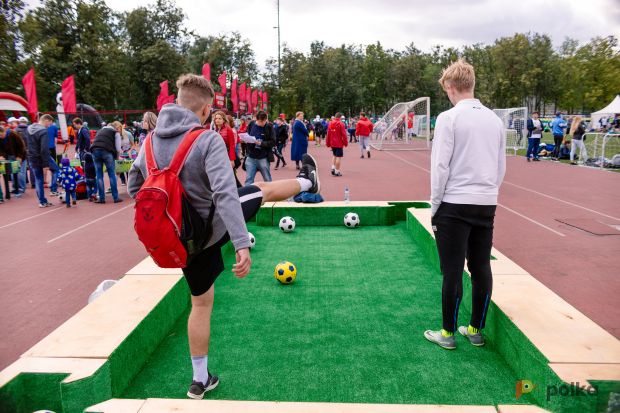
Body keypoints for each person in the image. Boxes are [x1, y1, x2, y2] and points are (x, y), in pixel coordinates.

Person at [127, 73, 322, 400]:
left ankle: (200, 380)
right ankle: (308, 183)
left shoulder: (148, 142)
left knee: (200, 304)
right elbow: (225, 194)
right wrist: (241, 242)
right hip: (211, 230)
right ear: (205, 110)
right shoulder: (206, 139)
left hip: (180, 243)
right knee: (259, 190)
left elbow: (135, 188)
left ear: (176, 102)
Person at [426, 58, 506, 350]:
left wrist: (435, 207)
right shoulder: (495, 120)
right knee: (481, 266)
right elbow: (500, 168)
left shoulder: (449, 118)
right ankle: (474, 329)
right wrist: (487, 194)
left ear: (450, 88)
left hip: (454, 204)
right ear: (471, 85)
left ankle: (447, 334)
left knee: (453, 269)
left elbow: (440, 168)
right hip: (486, 203)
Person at [26, 114, 55, 207]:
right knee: (56, 169)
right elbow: (44, 148)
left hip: (31, 157)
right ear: (46, 121)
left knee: (39, 179)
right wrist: (46, 163)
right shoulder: (43, 131)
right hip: (41, 157)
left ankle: (42, 201)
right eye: (49, 123)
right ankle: (54, 189)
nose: (49, 126)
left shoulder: (29, 128)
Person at [90, 121, 123, 203]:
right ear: (114, 128)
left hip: (94, 150)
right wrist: (116, 157)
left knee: (99, 175)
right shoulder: (115, 132)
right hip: (107, 151)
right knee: (111, 174)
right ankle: (115, 197)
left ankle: (101, 198)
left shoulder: (99, 131)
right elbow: (118, 148)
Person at [245, 111, 275, 185]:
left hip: (263, 157)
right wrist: (244, 140)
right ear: (256, 119)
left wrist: (262, 143)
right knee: (248, 179)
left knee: (267, 178)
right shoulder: (251, 124)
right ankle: (248, 195)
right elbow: (247, 135)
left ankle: (270, 194)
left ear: (266, 119)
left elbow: (273, 142)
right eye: (259, 121)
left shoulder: (269, 127)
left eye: (263, 121)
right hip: (251, 156)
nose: (261, 123)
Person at [0, 125, 28, 197]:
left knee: (20, 172)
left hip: (18, 155)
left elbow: (21, 145)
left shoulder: (13, 134)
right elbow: (0, 148)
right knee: (12, 173)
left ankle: (21, 188)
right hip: (9, 156)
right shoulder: (1, 138)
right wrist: (1, 156)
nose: (0, 137)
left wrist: (20, 156)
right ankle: (15, 187)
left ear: (4, 132)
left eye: (1, 135)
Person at [326, 112, 348, 176]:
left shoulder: (330, 123)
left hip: (332, 142)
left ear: (335, 117)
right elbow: (344, 134)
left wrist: (328, 143)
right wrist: (345, 143)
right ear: (340, 117)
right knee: (339, 157)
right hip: (339, 142)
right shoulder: (341, 123)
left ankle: (333, 167)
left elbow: (328, 134)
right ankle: (336, 171)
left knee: (334, 155)